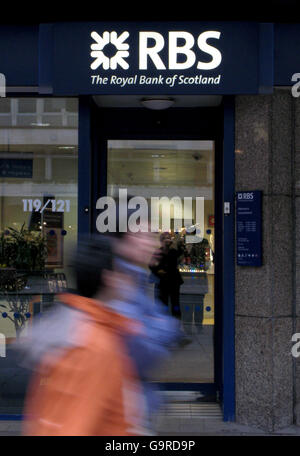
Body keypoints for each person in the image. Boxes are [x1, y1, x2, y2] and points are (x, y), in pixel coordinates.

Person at [18, 235, 147, 436]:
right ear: (109, 278)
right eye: (121, 271)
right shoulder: (93, 343)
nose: (127, 278)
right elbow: (73, 427)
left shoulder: (81, 326)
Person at [108, 224, 181, 431]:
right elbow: (143, 351)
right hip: (122, 411)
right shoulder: (117, 283)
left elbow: (163, 327)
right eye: (143, 235)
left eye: (153, 235)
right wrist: (157, 329)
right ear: (124, 239)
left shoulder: (135, 279)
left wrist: (154, 328)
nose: (151, 242)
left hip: (135, 406)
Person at [149, 232, 184, 318]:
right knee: (162, 304)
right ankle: (162, 321)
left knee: (175, 303)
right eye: (165, 238)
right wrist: (159, 271)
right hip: (162, 282)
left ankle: (176, 323)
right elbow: (151, 266)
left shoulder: (175, 252)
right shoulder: (158, 252)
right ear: (161, 241)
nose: (167, 240)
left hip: (174, 282)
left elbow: (181, 256)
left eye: (169, 238)